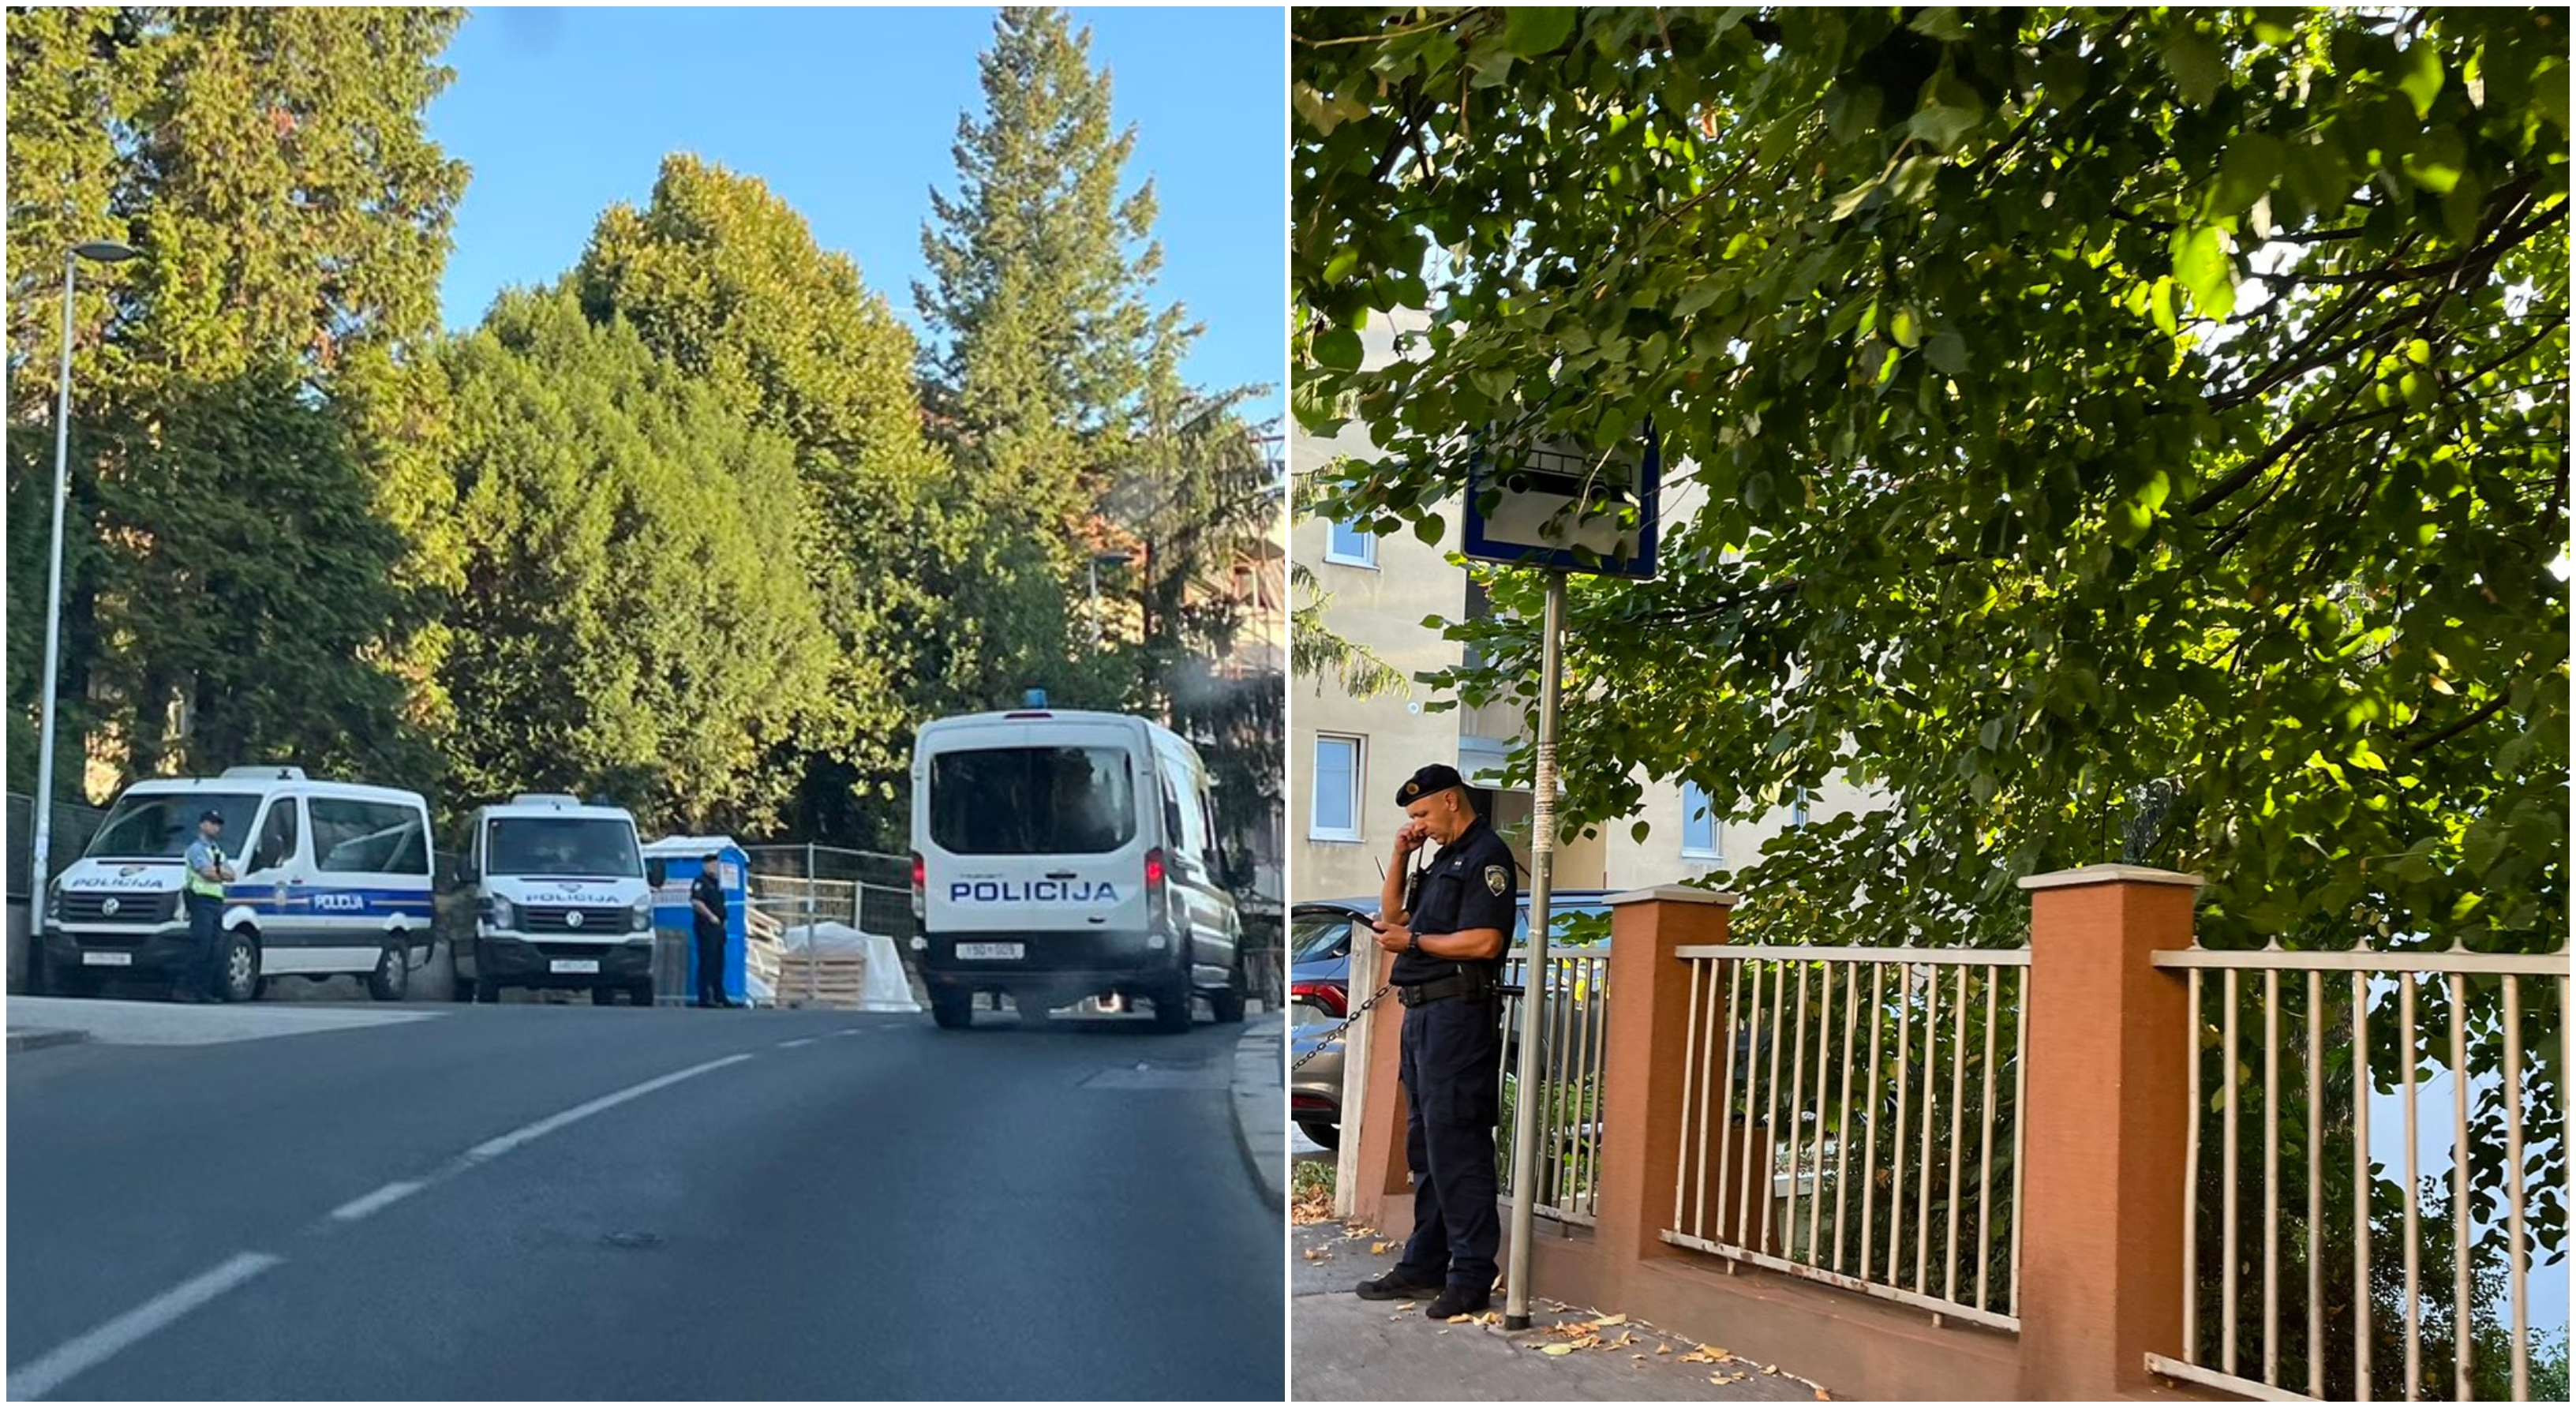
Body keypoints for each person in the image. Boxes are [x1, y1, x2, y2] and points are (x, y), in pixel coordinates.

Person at [1352, 763, 1516, 1319]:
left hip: (1458, 1015)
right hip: (1423, 1015)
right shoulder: (1440, 857)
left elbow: (1486, 940)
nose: (1418, 824)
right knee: (1425, 1145)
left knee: (1457, 1143)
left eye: (1422, 814)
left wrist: (1415, 941)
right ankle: (1426, 1261)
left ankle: (1472, 1272)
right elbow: (1392, 916)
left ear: (1452, 800)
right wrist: (1400, 853)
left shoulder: (1487, 856)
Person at [182, 808, 237, 1003]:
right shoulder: (196, 849)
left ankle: (204, 991)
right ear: (202, 825)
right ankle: (189, 990)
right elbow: (208, 874)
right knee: (201, 947)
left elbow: (233, 875)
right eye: (212, 823)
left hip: (215, 902)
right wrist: (219, 872)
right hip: (200, 901)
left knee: (213, 948)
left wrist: (218, 871)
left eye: (218, 824)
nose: (216, 827)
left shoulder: (216, 850)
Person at [689, 852, 734, 1009]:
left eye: (717, 864)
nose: (715, 867)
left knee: (719, 962)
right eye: (713, 864)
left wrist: (723, 921)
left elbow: (721, 905)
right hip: (706, 927)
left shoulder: (717, 883)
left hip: (719, 927)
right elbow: (696, 902)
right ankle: (705, 997)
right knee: (707, 962)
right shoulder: (700, 882)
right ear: (706, 865)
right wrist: (711, 917)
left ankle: (719, 995)